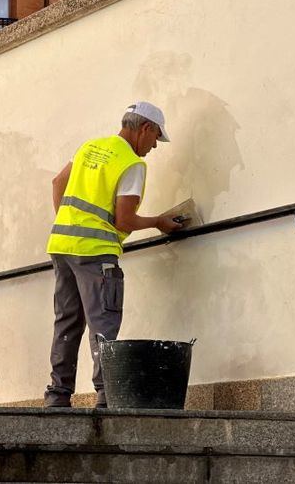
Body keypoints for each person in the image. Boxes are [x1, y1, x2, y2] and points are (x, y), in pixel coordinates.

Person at [44, 101, 183, 408]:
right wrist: (159, 222)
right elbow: (124, 221)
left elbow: (58, 182)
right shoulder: (131, 163)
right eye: (156, 138)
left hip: (62, 247)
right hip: (96, 253)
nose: (154, 147)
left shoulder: (90, 146)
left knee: (67, 323)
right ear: (144, 129)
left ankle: (57, 397)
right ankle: (107, 399)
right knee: (103, 324)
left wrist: (68, 222)